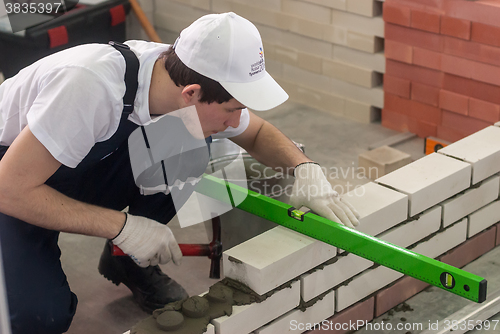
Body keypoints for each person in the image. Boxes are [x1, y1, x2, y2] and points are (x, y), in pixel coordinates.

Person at [0, 12, 359, 334]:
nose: (235, 123)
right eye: (232, 111)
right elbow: (10, 188)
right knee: (38, 317)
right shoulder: (91, 86)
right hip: (13, 180)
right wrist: (122, 226)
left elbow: (258, 133)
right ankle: (122, 240)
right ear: (191, 93)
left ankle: (129, 263)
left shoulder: (182, 73)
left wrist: (305, 168)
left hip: (76, 163)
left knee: (187, 144)